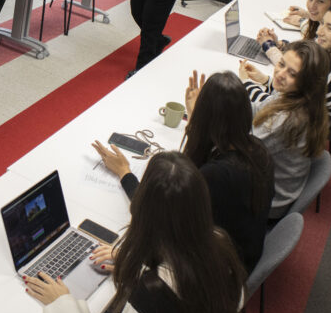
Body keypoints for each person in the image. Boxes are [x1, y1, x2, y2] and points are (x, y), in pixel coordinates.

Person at [93, 71, 274, 274]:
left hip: (216, 273)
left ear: (206, 118)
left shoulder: (215, 175)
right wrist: (197, 120)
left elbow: (154, 210)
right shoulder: (258, 150)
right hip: (242, 252)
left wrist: (124, 172)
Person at [26, 152, 246, 313]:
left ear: (144, 210)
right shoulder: (221, 242)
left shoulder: (151, 295)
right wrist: (135, 263)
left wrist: (62, 304)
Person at [239, 40, 330, 219]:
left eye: (292, 73)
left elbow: (239, 149)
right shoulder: (302, 98)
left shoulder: (288, 119)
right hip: (274, 187)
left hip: (266, 203)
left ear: (307, 82)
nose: (280, 74)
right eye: (281, 64)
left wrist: (203, 114)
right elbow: (260, 109)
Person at [248, 3, 331, 127]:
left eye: (330, 28)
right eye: (322, 23)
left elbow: (275, 109)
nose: (319, 32)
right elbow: (292, 92)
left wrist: (246, 84)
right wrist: (265, 80)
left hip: (291, 127)